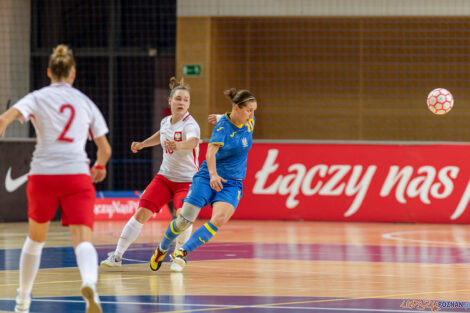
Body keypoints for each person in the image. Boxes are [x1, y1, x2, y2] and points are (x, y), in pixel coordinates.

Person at [0, 45, 111, 313]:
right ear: (73, 73)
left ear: (49, 72)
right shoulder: (85, 101)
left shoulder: (37, 97)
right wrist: (100, 166)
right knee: (82, 240)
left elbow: (5, 119)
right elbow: (104, 148)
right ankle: (89, 286)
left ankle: (23, 299)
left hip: (43, 175)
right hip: (76, 174)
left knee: (35, 240)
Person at [149, 88, 257, 272]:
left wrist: (222, 114)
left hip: (232, 183)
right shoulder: (222, 128)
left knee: (220, 219)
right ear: (238, 108)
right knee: (185, 220)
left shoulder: (248, 122)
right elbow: (210, 152)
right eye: (249, 110)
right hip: (208, 177)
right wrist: (214, 175)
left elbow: (233, 114)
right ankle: (162, 249)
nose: (252, 115)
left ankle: (182, 252)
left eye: (254, 111)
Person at [100, 77, 200, 272]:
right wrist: (143, 144)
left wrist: (178, 145)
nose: (182, 103)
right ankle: (117, 256)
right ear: (170, 101)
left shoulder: (190, 124)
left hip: (187, 181)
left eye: (186, 100)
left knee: (183, 217)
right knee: (141, 212)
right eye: (178, 99)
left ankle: (179, 257)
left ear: (189, 104)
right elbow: (160, 134)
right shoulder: (165, 121)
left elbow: (193, 142)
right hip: (164, 177)